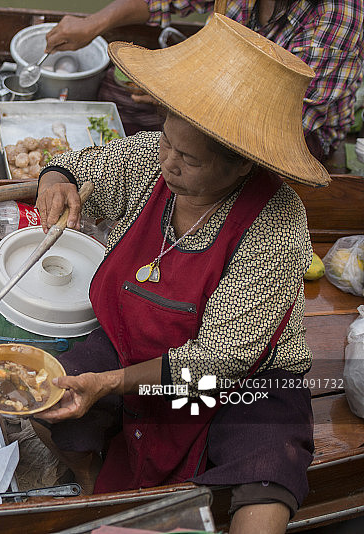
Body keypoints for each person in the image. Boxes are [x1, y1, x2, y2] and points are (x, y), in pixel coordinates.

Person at [34, 14, 327, 534]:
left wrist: (114, 383)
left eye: (188, 158)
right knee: (45, 393)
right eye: (167, 141)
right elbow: (98, 165)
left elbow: (221, 358)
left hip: (243, 381)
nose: (168, 161)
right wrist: (60, 177)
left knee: (268, 475)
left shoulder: (277, 221)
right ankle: (94, 487)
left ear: (243, 166)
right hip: (140, 344)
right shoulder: (158, 156)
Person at [44, 0, 363, 160]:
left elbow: (280, 119)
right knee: (116, 93)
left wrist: (181, 96)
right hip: (221, 81)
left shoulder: (339, 14)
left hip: (288, 130)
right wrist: (92, 24)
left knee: (199, 160)